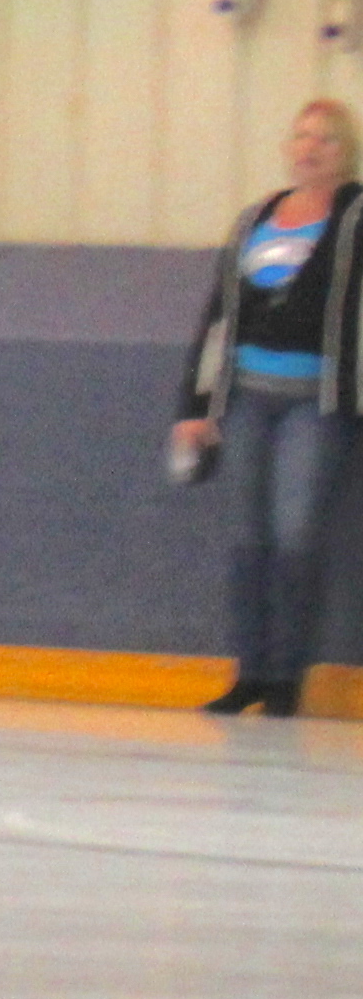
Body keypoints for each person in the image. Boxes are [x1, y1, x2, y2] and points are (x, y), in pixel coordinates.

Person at [169, 101, 357, 716]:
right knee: (247, 538)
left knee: (295, 537)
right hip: (248, 397)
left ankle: (284, 678)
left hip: (317, 403)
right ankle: (249, 671)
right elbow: (219, 318)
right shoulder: (256, 219)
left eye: (325, 139)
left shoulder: (355, 219)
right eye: (301, 136)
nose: (311, 148)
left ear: (345, 150)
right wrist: (196, 405)